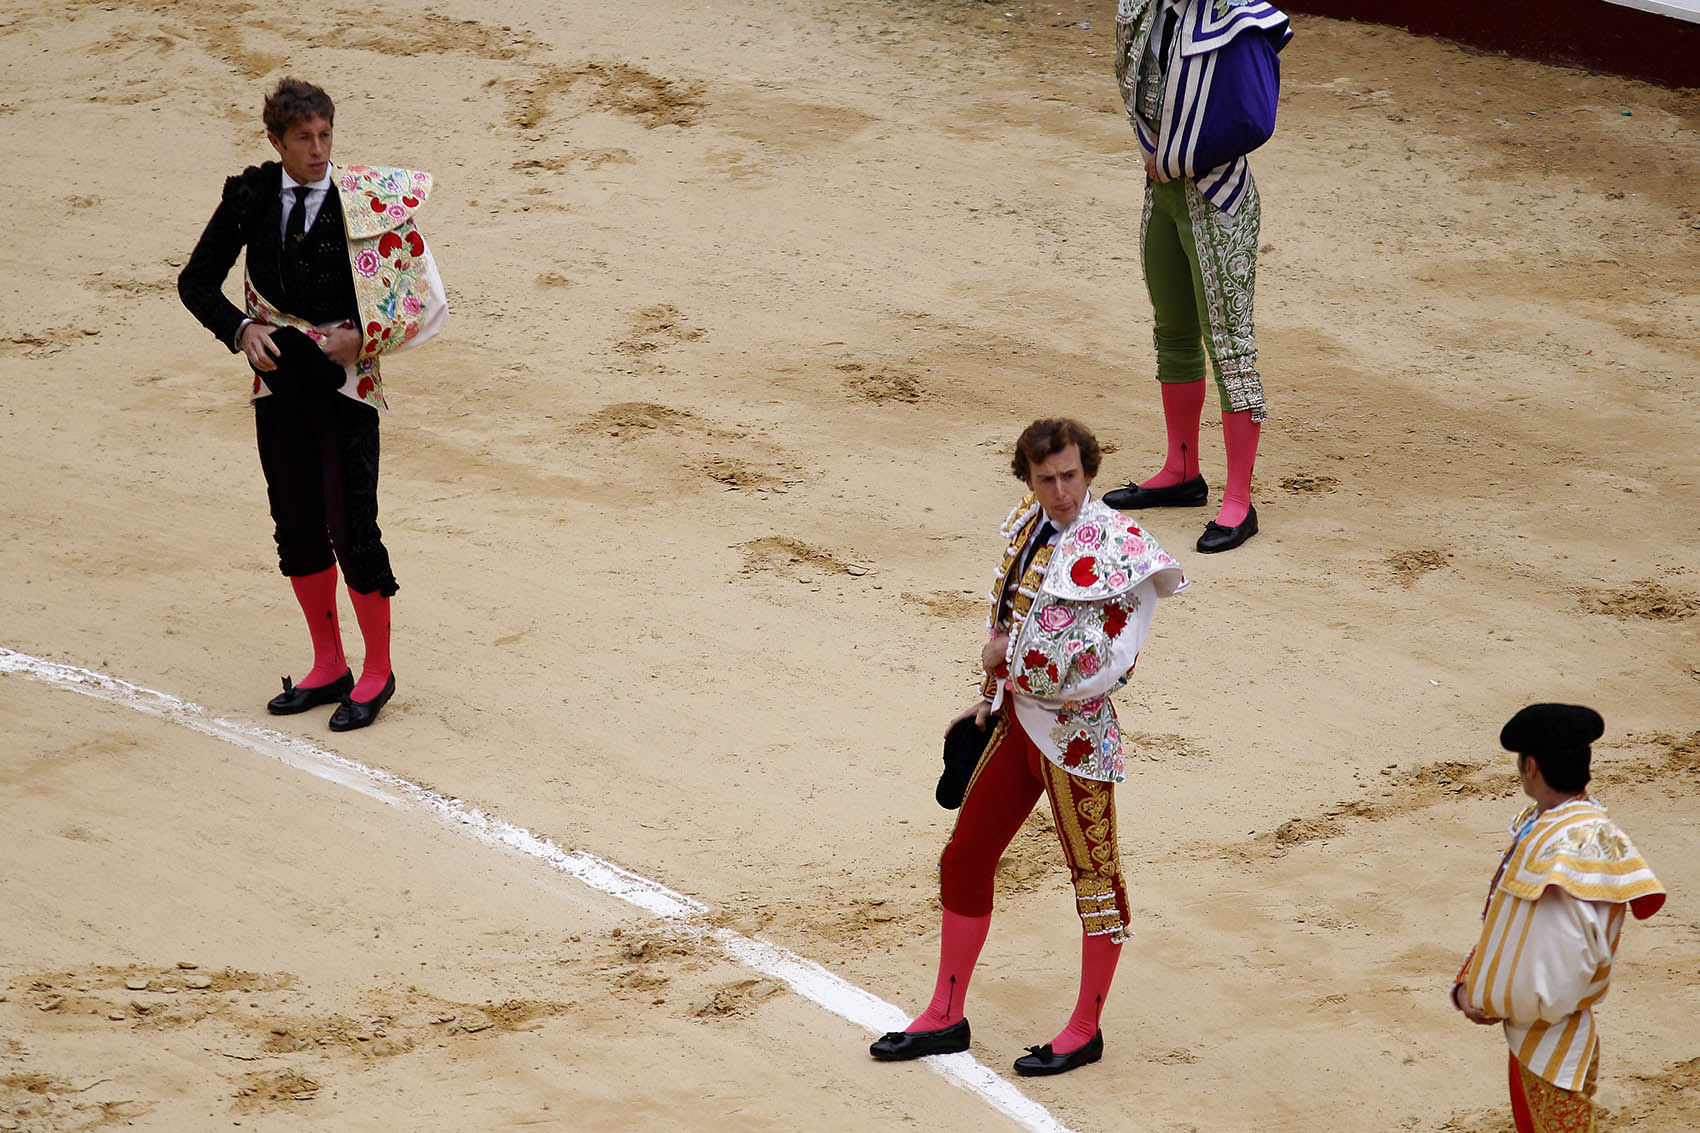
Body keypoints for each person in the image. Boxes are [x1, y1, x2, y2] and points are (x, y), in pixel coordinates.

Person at [870, 418, 1187, 1076]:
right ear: (1028, 478)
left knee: (1097, 883)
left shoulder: (1121, 546)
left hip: (1076, 738)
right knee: (964, 858)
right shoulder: (1026, 521)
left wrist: (1005, 661)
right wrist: (989, 691)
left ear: (1090, 470)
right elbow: (1006, 614)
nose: (1062, 490)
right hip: (1017, 722)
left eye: (1071, 475)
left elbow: (1114, 662)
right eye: (1047, 478)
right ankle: (944, 1015)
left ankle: (1084, 1029)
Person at [178, 77, 446, 730]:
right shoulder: (252, 196)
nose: (319, 149)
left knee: (353, 528)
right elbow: (194, 281)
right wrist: (240, 329)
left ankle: (377, 671)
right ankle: (330, 664)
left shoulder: (367, 200)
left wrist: (365, 335)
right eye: (304, 138)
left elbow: (425, 298)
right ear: (277, 141)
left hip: (346, 392)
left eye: (326, 135)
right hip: (279, 390)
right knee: (296, 525)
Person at [1103, 0, 1292, 553]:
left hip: (1218, 197)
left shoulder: (1241, 20)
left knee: (1231, 348)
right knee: (1174, 332)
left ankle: (1239, 500)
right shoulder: (1146, 9)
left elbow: (1255, 117)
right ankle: (1182, 471)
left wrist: (1176, 158)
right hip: (1162, 196)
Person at [1452, 704, 1666, 1132]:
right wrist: (1471, 981)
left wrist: (1484, 997)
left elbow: (1549, 952)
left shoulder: (1565, 843)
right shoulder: (1557, 826)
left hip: (1549, 1031)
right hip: (1543, 1024)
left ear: (1530, 766)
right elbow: (1515, 927)